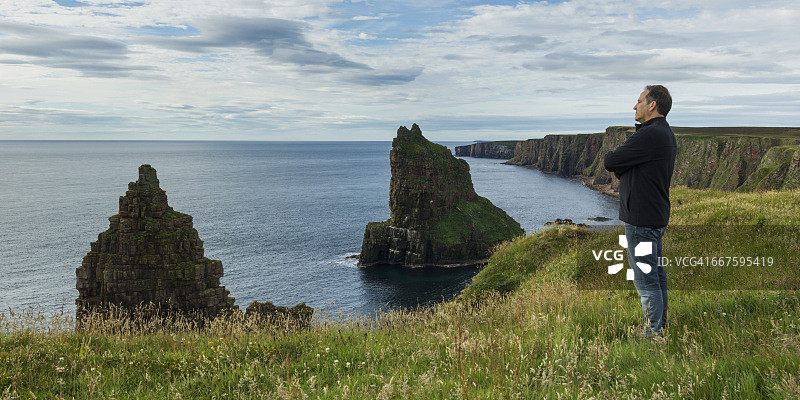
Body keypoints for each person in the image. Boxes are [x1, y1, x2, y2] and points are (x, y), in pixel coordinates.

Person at [603, 85, 677, 338]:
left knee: (645, 280)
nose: (635, 106)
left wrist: (622, 165)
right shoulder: (662, 133)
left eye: (639, 101)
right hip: (654, 215)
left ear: (652, 104)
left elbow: (611, 162)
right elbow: (622, 167)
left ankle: (653, 334)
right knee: (655, 274)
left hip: (642, 219)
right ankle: (660, 327)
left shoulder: (649, 134)